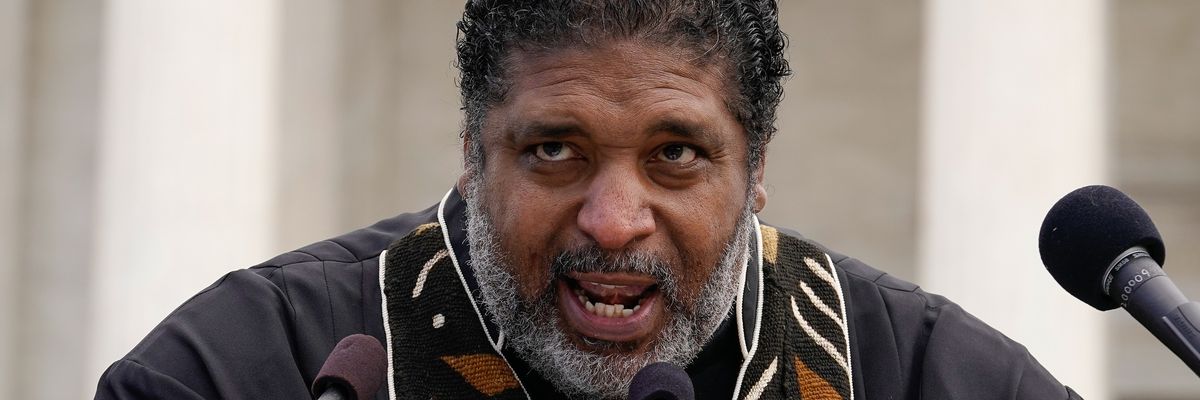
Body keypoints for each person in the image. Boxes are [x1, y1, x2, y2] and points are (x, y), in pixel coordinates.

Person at [95, 1, 1083, 399]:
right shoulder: (245, 365)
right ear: (472, 157)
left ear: (755, 169)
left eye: (675, 155)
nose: (614, 220)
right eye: (555, 151)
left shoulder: (930, 376)